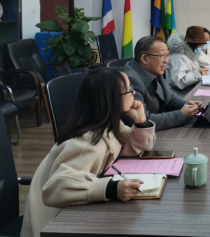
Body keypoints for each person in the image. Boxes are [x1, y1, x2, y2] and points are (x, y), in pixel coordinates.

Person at [21, 68, 156, 237]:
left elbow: (131, 146)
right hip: (53, 223)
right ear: (112, 98)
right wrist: (111, 188)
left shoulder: (108, 125)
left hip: (74, 213)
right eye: (129, 89)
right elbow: (56, 187)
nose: (133, 93)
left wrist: (141, 121)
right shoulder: (87, 142)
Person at [124, 36, 202, 131]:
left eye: (167, 55)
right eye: (162, 56)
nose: (166, 60)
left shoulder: (152, 69)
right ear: (145, 58)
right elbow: (142, 120)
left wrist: (187, 105)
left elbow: (168, 96)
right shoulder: (129, 81)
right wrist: (180, 115)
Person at [166, 26, 210, 96]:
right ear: (195, 44)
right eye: (201, 44)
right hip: (180, 97)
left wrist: (200, 70)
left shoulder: (191, 55)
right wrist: (198, 73)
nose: (202, 47)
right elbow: (178, 82)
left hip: (189, 94)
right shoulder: (179, 57)